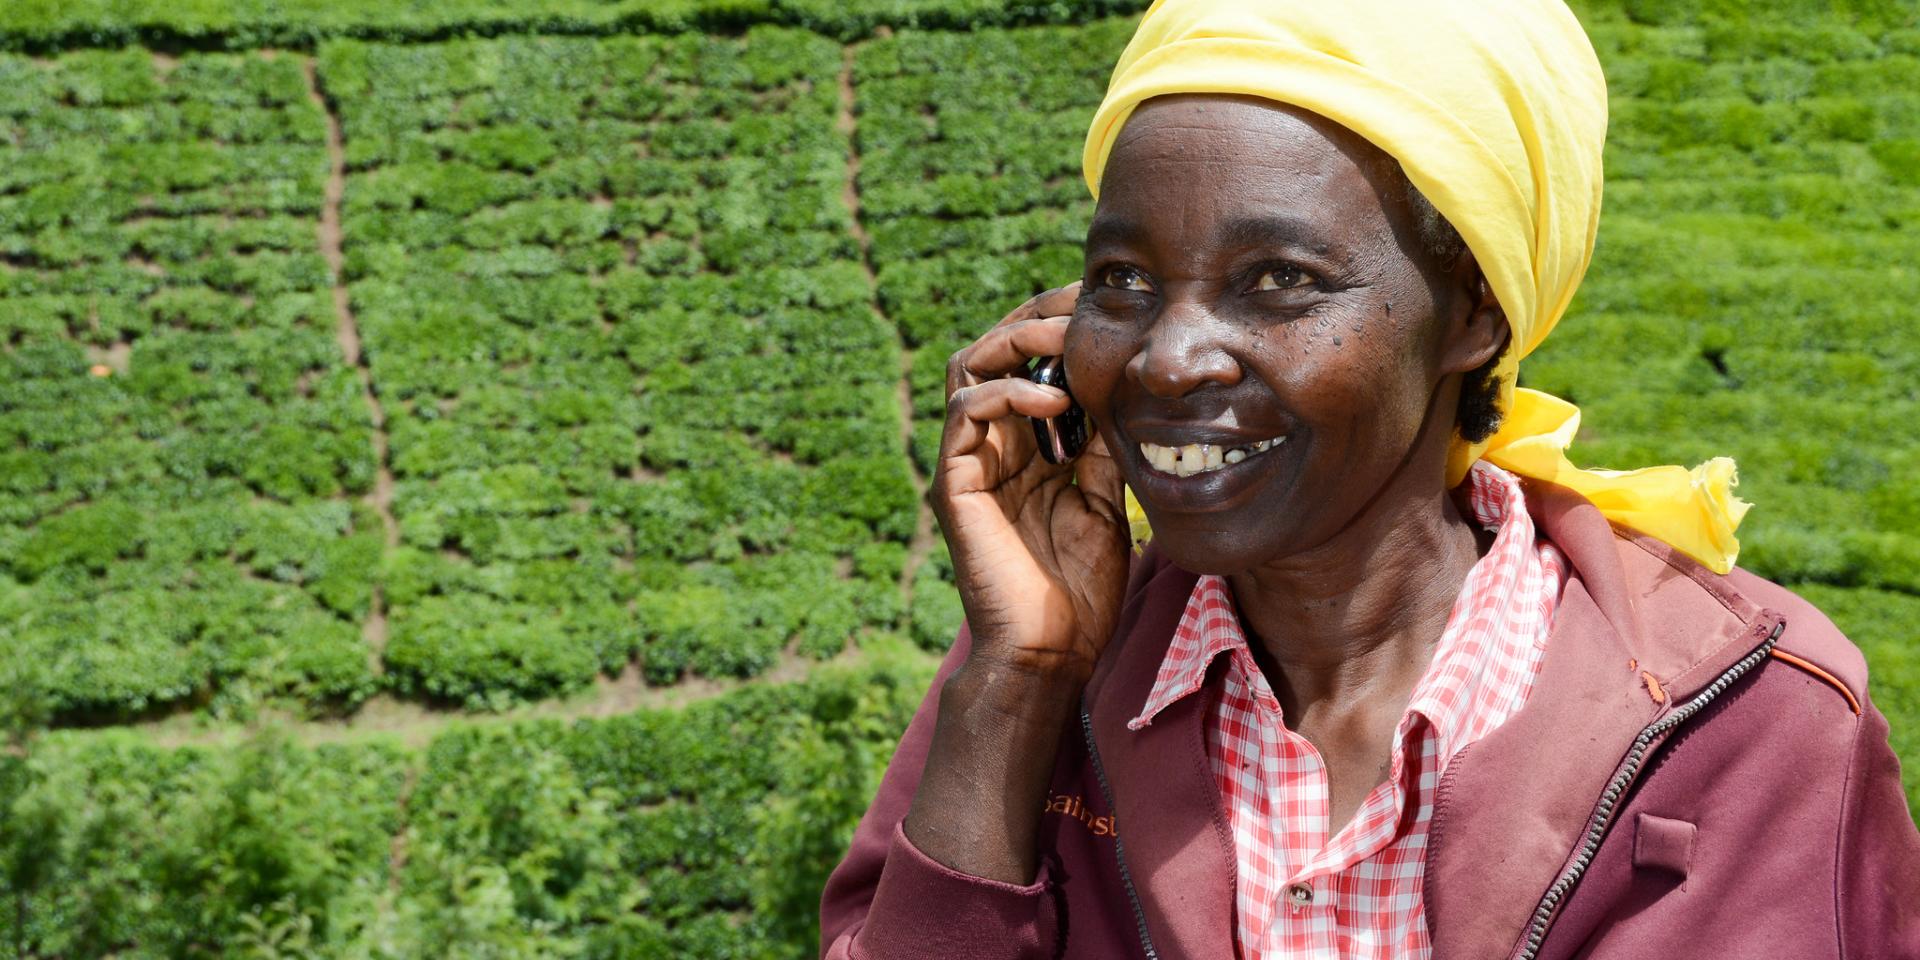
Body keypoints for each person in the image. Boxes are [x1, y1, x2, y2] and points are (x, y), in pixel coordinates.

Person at [819, 1, 1920, 957]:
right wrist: (1016, 687)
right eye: (1124, 279)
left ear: (1475, 314)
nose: (1167, 356)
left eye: (1280, 281)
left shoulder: (1754, 724)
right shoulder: (1042, 673)